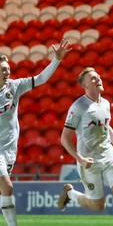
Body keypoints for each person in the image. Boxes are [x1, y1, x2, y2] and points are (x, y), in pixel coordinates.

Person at [0, 39, 71, 226]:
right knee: (7, 186)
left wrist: (56, 60)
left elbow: (40, 79)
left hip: (9, 149)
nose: (7, 72)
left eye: (7, 68)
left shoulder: (14, 87)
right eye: (3, 69)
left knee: (3, 190)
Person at [57, 67, 113, 226]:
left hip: (109, 157)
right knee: (99, 206)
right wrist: (80, 159)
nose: (98, 79)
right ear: (85, 86)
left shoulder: (106, 104)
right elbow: (64, 138)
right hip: (89, 161)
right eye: (92, 78)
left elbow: (106, 128)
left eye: (98, 76)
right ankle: (70, 193)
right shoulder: (78, 107)